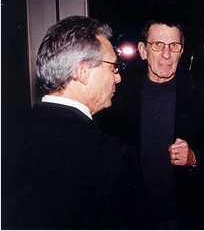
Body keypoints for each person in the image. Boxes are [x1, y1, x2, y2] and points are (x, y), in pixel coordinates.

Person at [2, 16, 148, 229]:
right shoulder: (113, 157)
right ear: (83, 72)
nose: (118, 78)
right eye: (113, 68)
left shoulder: (9, 134)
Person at [94, 19, 204, 229]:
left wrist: (194, 157)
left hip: (182, 216)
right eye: (158, 45)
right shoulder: (117, 94)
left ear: (181, 52)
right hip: (130, 217)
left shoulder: (203, 94)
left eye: (174, 46)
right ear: (143, 50)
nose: (166, 54)